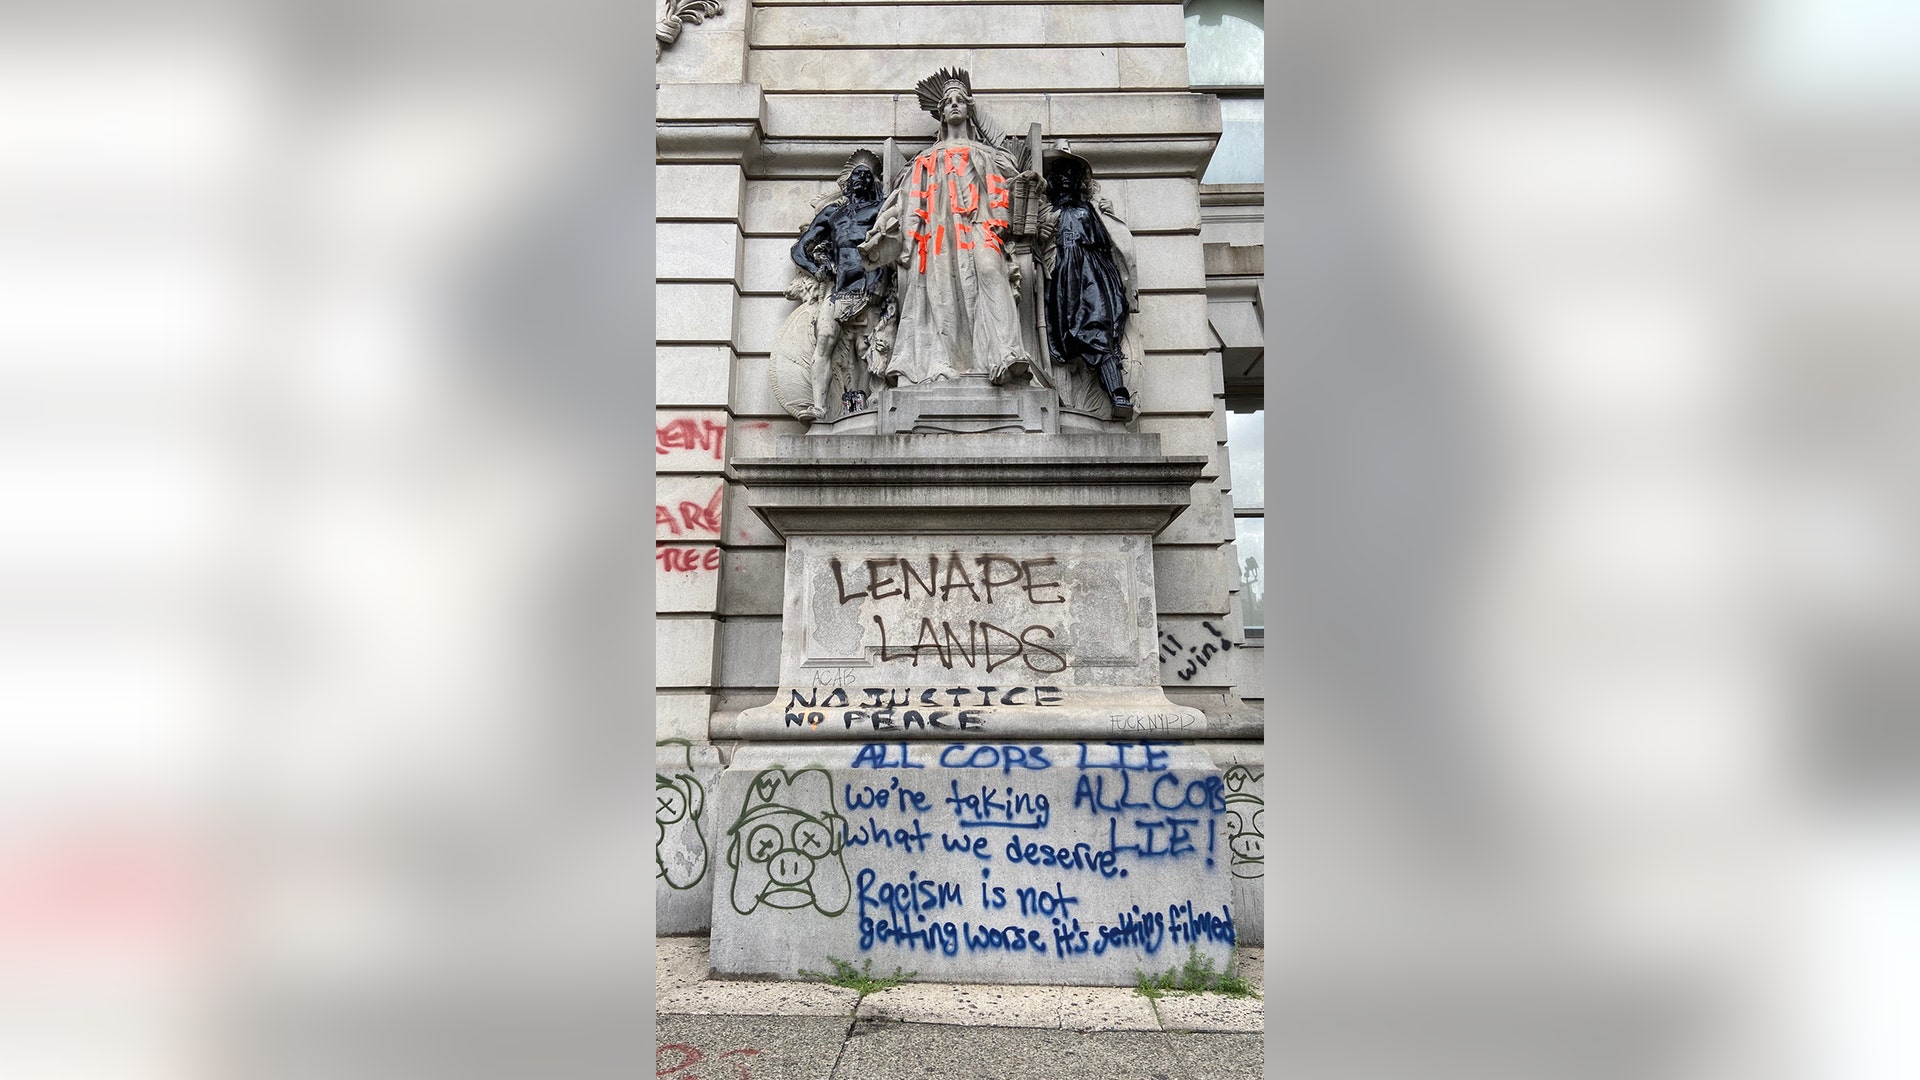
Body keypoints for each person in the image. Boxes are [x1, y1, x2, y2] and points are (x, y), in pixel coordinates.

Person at [858, 68, 1040, 386]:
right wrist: (888, 230)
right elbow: (905, 200)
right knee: (937, 289)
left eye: (960, 100)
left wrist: (1027, 184)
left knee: (988, 271)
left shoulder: (988, 154)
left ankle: (1005, 355)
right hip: (937, 235)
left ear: (969, 109)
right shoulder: (926, 159)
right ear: (941, 113)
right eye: (948, 101)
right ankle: (940, 360)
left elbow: (1011, 187)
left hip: (981, 228)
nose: (954, 104)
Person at [788, 150, 893, 419]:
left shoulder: (879, 210)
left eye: (866, 175)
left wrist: (880, 281)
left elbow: (891, 243)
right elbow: (800, 248)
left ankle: (863, 407)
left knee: (862, 350)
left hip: (868, 287)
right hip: (839, 288)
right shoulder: (833, 214)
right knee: (825, 340)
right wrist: (817, 267)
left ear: (873, 183)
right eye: (856, 174)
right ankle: (819, 407)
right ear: (848, 181)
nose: (861, 178)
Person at [1041, 145, 1138, 419]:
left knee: (1097, 324)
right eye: (1060, 175)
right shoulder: (1048, 213)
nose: (1065, 179)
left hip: (1092, 271)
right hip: (1060, 276)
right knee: (1063, 332)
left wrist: (1108, 215)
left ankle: (1118, 392)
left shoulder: (1091, 209)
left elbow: (1113, 240)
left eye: (1071, 174)